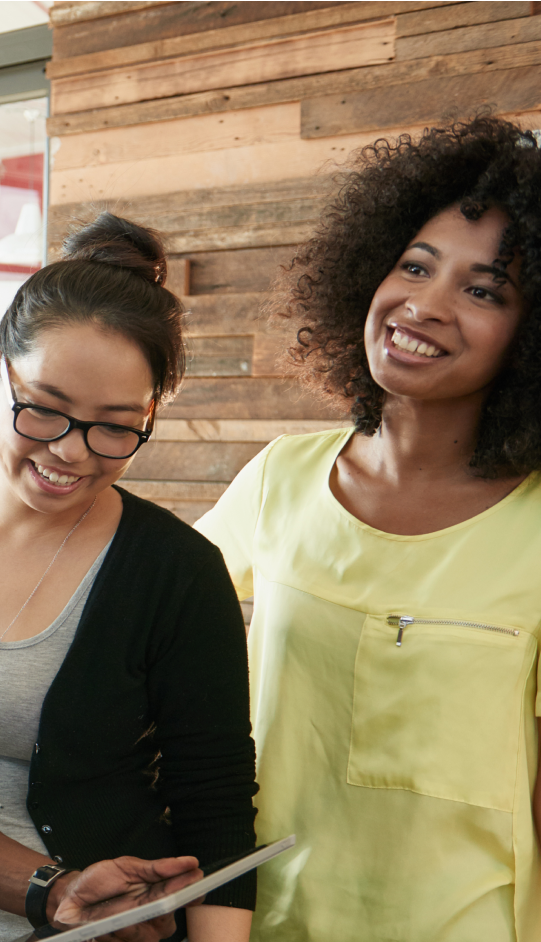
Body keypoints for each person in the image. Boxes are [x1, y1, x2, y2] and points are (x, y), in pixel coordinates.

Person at [0, 213, 259, 942]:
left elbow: (214, 805)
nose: (71, 452)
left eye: (114, 424)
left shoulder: (177, 572)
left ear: (151, 413)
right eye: (45, 410)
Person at [194, 116, 541, 940]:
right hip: (265, 924)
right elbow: (143, 635)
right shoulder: (282, 477)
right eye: (414, 265)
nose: (424, 303)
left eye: (483, 289)